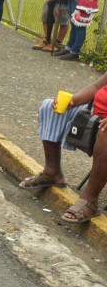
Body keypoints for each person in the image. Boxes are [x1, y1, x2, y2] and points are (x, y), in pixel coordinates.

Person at [19, 71, 107, 223]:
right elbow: (97, 86)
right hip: (98, 117)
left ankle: (90, 200)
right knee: (51, 106)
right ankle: (52, 172)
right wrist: (73, 100)